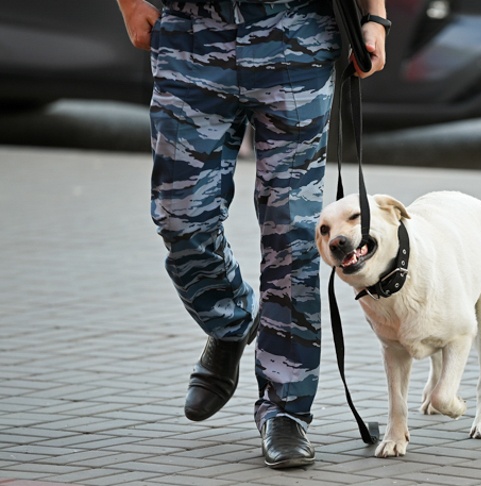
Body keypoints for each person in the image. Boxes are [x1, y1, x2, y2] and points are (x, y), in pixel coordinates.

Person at [117, 0, 388, 469]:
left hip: (296, 35)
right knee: (181, 220)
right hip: (191, 33)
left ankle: (286, 411)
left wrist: (375, 17)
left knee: (296, 237)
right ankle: (232, 320)